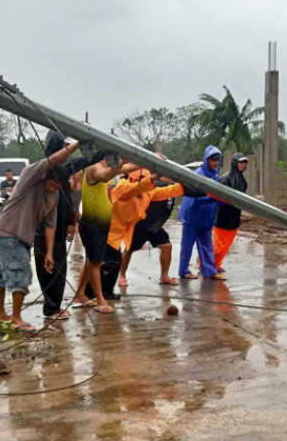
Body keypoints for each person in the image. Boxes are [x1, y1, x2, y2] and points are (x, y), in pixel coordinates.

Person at [0, 140, 79, 331]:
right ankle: (16, 318)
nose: (53, 189)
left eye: (57, 187)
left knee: (2, 273)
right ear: (45, 177)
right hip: (10, 231)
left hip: (23, 237)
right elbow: (54, 159)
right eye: (51, 185)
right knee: (20, 273)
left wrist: (49, 253)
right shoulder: (30, 176)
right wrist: (77, 143)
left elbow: (50, 225)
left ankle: (1, 315)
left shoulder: (54, 195)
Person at [33, 131, 103, 321]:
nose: (67, 149)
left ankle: (54, 305)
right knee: (50, 266)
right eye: (64, 145)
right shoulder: (49, 167)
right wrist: (95, 145)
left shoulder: (61, 167)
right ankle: (51, 308)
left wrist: (71, 223)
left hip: (58, 224)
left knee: (58, 265)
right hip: (46, 226)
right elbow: (87, 159)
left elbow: (70, 197)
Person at [73, 155, 139, 313]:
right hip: (92, 223)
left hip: (100, 224)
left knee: (91, 260)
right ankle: (100, 301)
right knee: (96, 263)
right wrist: (123, 158)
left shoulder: (105, 168)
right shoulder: (94, 167)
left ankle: (80, 295)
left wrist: (150, 163)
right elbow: (105, 176)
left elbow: (126, 169)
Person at [115, 167, 185, 288]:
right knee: (128, 250)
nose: (172, 177)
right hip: (141, 224)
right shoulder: (154, 186)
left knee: (167, 247)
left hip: (154, 226)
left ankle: (164, 276)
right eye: (170, 174)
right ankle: (122, 276)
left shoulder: (170, 188)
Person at [178, 145, 226, 281]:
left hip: (206, 218)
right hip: (192, 216)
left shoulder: (215, 174)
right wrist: (213, 198)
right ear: (206, 160)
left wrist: (222, 201)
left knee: (207, 245)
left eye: (217, 159)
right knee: (187, 246)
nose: (215, 162)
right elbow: (194, 198)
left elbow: (216, 195)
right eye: (212, 159)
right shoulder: (198, 174)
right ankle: (183, 271)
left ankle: (210, 272)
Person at [213, 153, 249, 273]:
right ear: (234, 163)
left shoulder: (242, 180)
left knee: (226, 245)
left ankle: (216, 264)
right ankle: (204, 264)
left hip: (234, 217)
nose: (242, 165)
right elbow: (219, 199)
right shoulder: (225, 179)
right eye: (240, 163)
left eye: (244, 163)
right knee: (219, 245)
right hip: (223, 217)